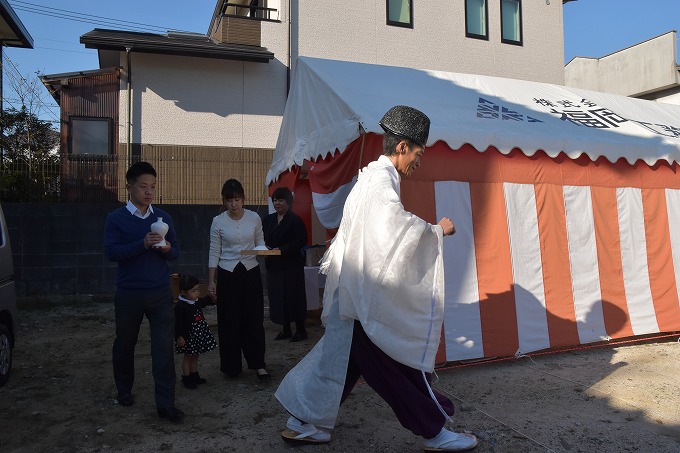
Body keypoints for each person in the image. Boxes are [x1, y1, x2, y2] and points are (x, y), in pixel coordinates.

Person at [275, 106, 478, 451]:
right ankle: (433, 431)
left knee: (339, 360)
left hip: (351, 290)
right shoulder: (381, 182)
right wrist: (435, 231)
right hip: (362, 296)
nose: (419, 161)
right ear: (402, 147)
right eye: (418, 152)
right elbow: (391, 232)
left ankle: (309, 419)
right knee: (395, 364)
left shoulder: (370, 177)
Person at [104, 161, 184, 423]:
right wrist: (142, 244)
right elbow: (112, 253)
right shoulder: (116, 218)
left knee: (163, 349)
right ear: (129, 187)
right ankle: (124, 391)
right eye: (143, 187)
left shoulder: (162, 218)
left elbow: (175, 253)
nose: (149, 192)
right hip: (129, 294)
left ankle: (165, 405)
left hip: (160, 293)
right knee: (124, 344)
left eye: (152, 187)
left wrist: (165, 249)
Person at [207, 179, 270, 380]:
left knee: (254, 318)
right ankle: (231, 366)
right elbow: (214, 251)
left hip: (250, 272)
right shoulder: (218, 222)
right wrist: (211, 280)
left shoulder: (254, 218)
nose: (234, 204)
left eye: (237, 199)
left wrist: (264, 251)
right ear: (224, 201)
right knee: (229, 320)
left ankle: (258, 364)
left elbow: (260, 241)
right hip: (227, 273)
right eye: (229, 200)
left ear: (243, 199)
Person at [263, 187, 309, 342]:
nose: (277, 203)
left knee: (294, 297)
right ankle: (286, 328)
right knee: (278, 298)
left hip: (291, 266)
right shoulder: (268, 219)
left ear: (288, 202)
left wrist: (282, 249)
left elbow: (300, 241)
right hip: (274, 266)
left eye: (281, 200)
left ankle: (301, 330)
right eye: (275, 200)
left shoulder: (295, 220)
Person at [174, 274, 217, 389]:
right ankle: (187, 378)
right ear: (183, 292)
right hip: (188, 336)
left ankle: (194, 375)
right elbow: (177, 324)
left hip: (198, 334)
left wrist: (210, 298)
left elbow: (203, 301)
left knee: (195, 355)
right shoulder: (180, 307)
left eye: (197, 290)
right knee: (188, 356)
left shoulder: (195, 301)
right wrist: (179, 336)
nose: (197, 293)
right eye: (193, 291)